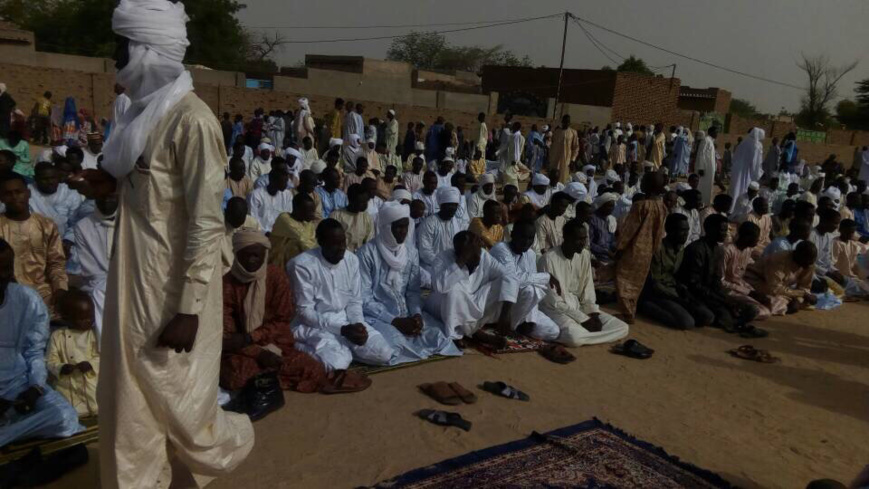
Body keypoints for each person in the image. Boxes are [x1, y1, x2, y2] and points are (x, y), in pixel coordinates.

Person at [76, 3, 255, 484]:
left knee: (177, 397)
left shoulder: (192, 122)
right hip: (132, 281)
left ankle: (222, 447)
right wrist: (106, 185)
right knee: (128, 399)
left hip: (173, 290)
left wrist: (189, 309)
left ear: (147, 52)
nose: (116, 59)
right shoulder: (141, 115)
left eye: (122, 48)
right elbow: (149, 193)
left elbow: (205, 222)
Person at [222, 230, 369, 396]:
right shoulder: (226, 285)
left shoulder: (276, 277)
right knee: (237, 376)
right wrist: (259, 352)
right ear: (236, 255)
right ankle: (272, 377)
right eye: (246, 255)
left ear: (265, 254)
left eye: (256, 255)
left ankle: (269, 378)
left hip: (275, 344)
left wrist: (253, 337)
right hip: (242, 350)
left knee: (312, 369)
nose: (251, 260)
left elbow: (282, 321)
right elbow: (228, 337)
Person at [0, 238, 83, 447]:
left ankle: (7, 433)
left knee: (65, 417)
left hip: (19, 385)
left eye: (7, 268)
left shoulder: (27, 299)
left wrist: (35, 387)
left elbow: (34, 352)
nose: (4, 275)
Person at [356, 202, 461, 365]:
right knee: (395, 346)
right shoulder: (367, 253)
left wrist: (416, 314)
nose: (403, 232)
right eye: (398, 227)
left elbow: (413, 291)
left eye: (406, 226)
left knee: (440, 337)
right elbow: (364, 298)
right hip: (378, 316)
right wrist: (394, 321)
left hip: (406, 312)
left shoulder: (410, 251)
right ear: (386, 227)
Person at [289, 219, 396, 370]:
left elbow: (354, 302)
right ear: (321, 242)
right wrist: (342, 330)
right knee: (337, 365)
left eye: (343, 242)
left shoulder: (351, 260)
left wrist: (358, 325)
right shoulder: (302, 265)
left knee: (384, 353)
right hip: (315, 325)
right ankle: (299, 347)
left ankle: (344, 350)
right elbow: (305, 312)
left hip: (346, 321)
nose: (341, 248)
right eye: (334, 244)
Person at [538, 219, 630, 346]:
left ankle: (587, 336)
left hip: (580, 307)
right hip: (555, 310)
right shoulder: (548, 259)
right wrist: (583, 320)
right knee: (574, 337)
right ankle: (588, 335)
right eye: (579, 239)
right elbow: (554, 301)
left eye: (585, 239)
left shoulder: (585, 255)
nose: (583, 243)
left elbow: (588, 289)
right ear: (566, 238)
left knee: (623, 327)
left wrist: (593, 314)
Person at [424, 231, 519, 347]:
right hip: (443, 305)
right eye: (472, 252)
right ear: (459, 253)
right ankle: (462, 335)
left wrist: (505, 313)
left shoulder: (484, 256)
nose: (478, 256)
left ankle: (473, 331)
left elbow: (508, 276)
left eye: (478, 249)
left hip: (473, 302)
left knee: (503, 284)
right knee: (453, 291)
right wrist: (462, 260)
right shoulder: (442, 258)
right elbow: (440, 287)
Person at [676, 214, 761, 334]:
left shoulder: (717, 249)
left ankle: (728, 317)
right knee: (709, 316)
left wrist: (724, 298)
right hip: (692, 294)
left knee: (750, 309)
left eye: (726, 230)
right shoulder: (697, 249)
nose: (725, 234)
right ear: (709, 229)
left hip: (709, 293)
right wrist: (720, 299)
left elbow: (716, 280)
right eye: (722, 230)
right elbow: (693, 285)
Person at [0, 173, 68, 316]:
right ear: (1, 198)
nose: (14, 197)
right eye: (8, 194)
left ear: (28, 193)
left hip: (42, 293)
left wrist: (60, 289)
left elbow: (56, 264)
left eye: (18, 192)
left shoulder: (47, 225)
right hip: (5, 292)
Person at [487, 220, 561, 341]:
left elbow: (533, 283)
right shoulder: (501, 249)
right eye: (523, 237)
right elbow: (513, 278)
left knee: (553, 331)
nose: (526, 242)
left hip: (520, 307)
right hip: (498, 302)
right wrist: (546, 276)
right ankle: (508, 326)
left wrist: (531, 319)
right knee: (529, 290)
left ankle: (519, 325)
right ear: (512, 234)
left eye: (530, 238)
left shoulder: (530, 254)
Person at [638, 214, 710, 329]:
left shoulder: (681, 249)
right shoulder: (658, 249)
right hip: (657, 293)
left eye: (687, 230)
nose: (685, 234)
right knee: (687, 322)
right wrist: (679, 300)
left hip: (672, 290)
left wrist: (684, 292)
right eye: (682, 230)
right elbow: (655, 283)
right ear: (669, 230)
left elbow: (675, 277)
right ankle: (646, 307)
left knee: (707, 317)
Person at [615, 171, 668, 322]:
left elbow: (628, 230)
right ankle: (631, 310)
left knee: (623, 279)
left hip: (634, 249)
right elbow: (660, 232)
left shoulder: (640, 206)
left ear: (650, 185)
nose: (641, 182)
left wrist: (619, 248)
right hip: (648, 251)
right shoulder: (662, 207)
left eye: (644, 180)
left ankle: (627, 313)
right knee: (637, 282)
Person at [47, 290, 100, 417]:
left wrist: (91, 364)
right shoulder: (57, 336)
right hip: (67, 385)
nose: (88, 321)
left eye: (91, 317)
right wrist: (61, 367)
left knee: (98, 403)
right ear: (66, 318)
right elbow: (50, 360)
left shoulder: (94, 334)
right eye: (82, 319)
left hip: (92, 382)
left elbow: (103, 356)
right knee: (65, 409)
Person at [73, 195, 118, 340]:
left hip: (131, 279)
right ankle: (105, 347)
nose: (107, 199)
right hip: (99, 283)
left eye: (111, 196)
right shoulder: (83, 226)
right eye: (102, 196)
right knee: (99, 295)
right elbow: (92, 271)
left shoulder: (132, 221)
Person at [746, 241, 817, 315]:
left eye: (810, 262)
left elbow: (804, 287)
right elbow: (774, 289)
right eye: (806, 262)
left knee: (802, 302)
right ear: (797, 255)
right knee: (778, 302)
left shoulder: (809, 264)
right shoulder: (779, 259)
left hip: (779, 288)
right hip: (756, 281)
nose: (808, 265)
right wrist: (801, 294)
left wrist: (798, 299)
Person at [721, 222, 773, 320]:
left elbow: (749, 266)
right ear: (746, 237)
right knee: (763, 311)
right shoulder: (727, 250)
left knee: (770, 301)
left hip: (741, 285)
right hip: (728, 289)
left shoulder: (747, 250)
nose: (758, 240)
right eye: (756, 237)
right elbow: (721, 281)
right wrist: (748, 292)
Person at [417, 186, 465, 280]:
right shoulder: (429, 223)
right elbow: (425, 251)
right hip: (432, 266)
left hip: (453, 265)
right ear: (441, 205)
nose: (453, 208)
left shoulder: (458, 223)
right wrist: (442, 263)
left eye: (455, 205)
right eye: (449, 205)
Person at [27, 161, 83, 241]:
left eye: (53, 178)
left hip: (64, 240)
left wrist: (68, 240)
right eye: (45, 179)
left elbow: (76, 223)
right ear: (35, 179)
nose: (50, 182)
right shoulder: (27, 192)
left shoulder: (70, 193)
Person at [268, 193, 318, 267]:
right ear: (298, 210)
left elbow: (312, 241)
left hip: (300, 258)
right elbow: (303, 241)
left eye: (313, 211)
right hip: (278, 260)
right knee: (294, 245)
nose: (313, 215)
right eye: (309, 211)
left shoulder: (308, 223)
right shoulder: (284, 218)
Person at [248, 164, 293, 233]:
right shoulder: (256, 195)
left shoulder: (287, 195)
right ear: (272, 179)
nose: (286, 184)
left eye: (286, 180)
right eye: (283, 181)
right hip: (259, 234)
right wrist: (265, 233)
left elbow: (287, 219)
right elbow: (253, 220)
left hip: (279, 234)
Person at [729, 128, 765, 213]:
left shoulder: (744, 141)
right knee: (744, 188)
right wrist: (757, 174)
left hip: (737, 169)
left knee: (735, 187)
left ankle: (732, 208)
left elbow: (735, 156)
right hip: (746, 170)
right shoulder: (756, 145)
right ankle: (740, 209)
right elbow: (755, 162)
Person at [330, 183, 374, 253]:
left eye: (366, 201)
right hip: (341, 254)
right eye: (361, 202)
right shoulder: (336, 216)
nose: (365, 204)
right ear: (351, 200)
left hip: (361, 254)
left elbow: (369, 239)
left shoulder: (366, 217)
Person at [810, 208, 845, 291]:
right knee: (837, 290)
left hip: (824, 271)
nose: (837, 227)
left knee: (846, 282)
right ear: (824, 221)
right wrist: (827, 273)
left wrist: (834, 271)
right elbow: (809, 263)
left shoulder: (828, 237)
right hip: (812, 272)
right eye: (835, 223)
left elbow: (827, 259)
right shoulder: (811, 235)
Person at [832, 219, 869, 297]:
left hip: (852, 277)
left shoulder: (853, 245)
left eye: (852, 232)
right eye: (848, 232)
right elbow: (832, 263)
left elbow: (856, 264)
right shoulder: (835, 243)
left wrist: (865, 276)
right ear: (840, 230)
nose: (850, 234)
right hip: (840, 277)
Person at [589, 192, 618, 264]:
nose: (612, 209)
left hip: (609, 258)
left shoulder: (611, 220)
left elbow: (611, 240)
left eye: (613, 206)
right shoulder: (592, 219)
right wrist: (605, 251)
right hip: (596, 258)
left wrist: (616, 248)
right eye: (609, 206)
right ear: (602, 205)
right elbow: (589, 243)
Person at [550, 115, 580, 183]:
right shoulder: (557, 131)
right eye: (565, 121)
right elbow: (552, 145)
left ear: (569, 123)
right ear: (562, 122)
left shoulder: (573, 132)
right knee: (553, 178)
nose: (566, 123)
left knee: (564, 178)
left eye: (568, 122)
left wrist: (573, 160)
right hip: (555, 160)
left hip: (566, 160)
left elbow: (576, 147)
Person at [693, 127, 717, 206]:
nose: (717, 134)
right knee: (702, 186)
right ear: (711, 132)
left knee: (707, 187)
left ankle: (706, 203)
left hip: (709, 170)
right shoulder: (706, 140)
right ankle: (700, 202)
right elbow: (701, 154)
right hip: (704, 170)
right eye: (716, 132)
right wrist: (701, 168)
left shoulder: (710, 141)